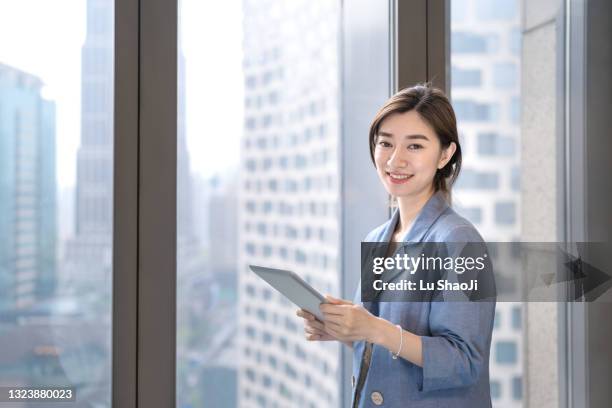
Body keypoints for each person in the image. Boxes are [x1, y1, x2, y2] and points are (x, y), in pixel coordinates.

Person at [297, 84, 496, 407]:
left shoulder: (460, 241)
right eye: (385, 143)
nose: (395, 159)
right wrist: (346, 330)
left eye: (415, 146)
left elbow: (465, 362)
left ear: (445, 154)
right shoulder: (378, 239)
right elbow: (390, 344)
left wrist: (374, 329)